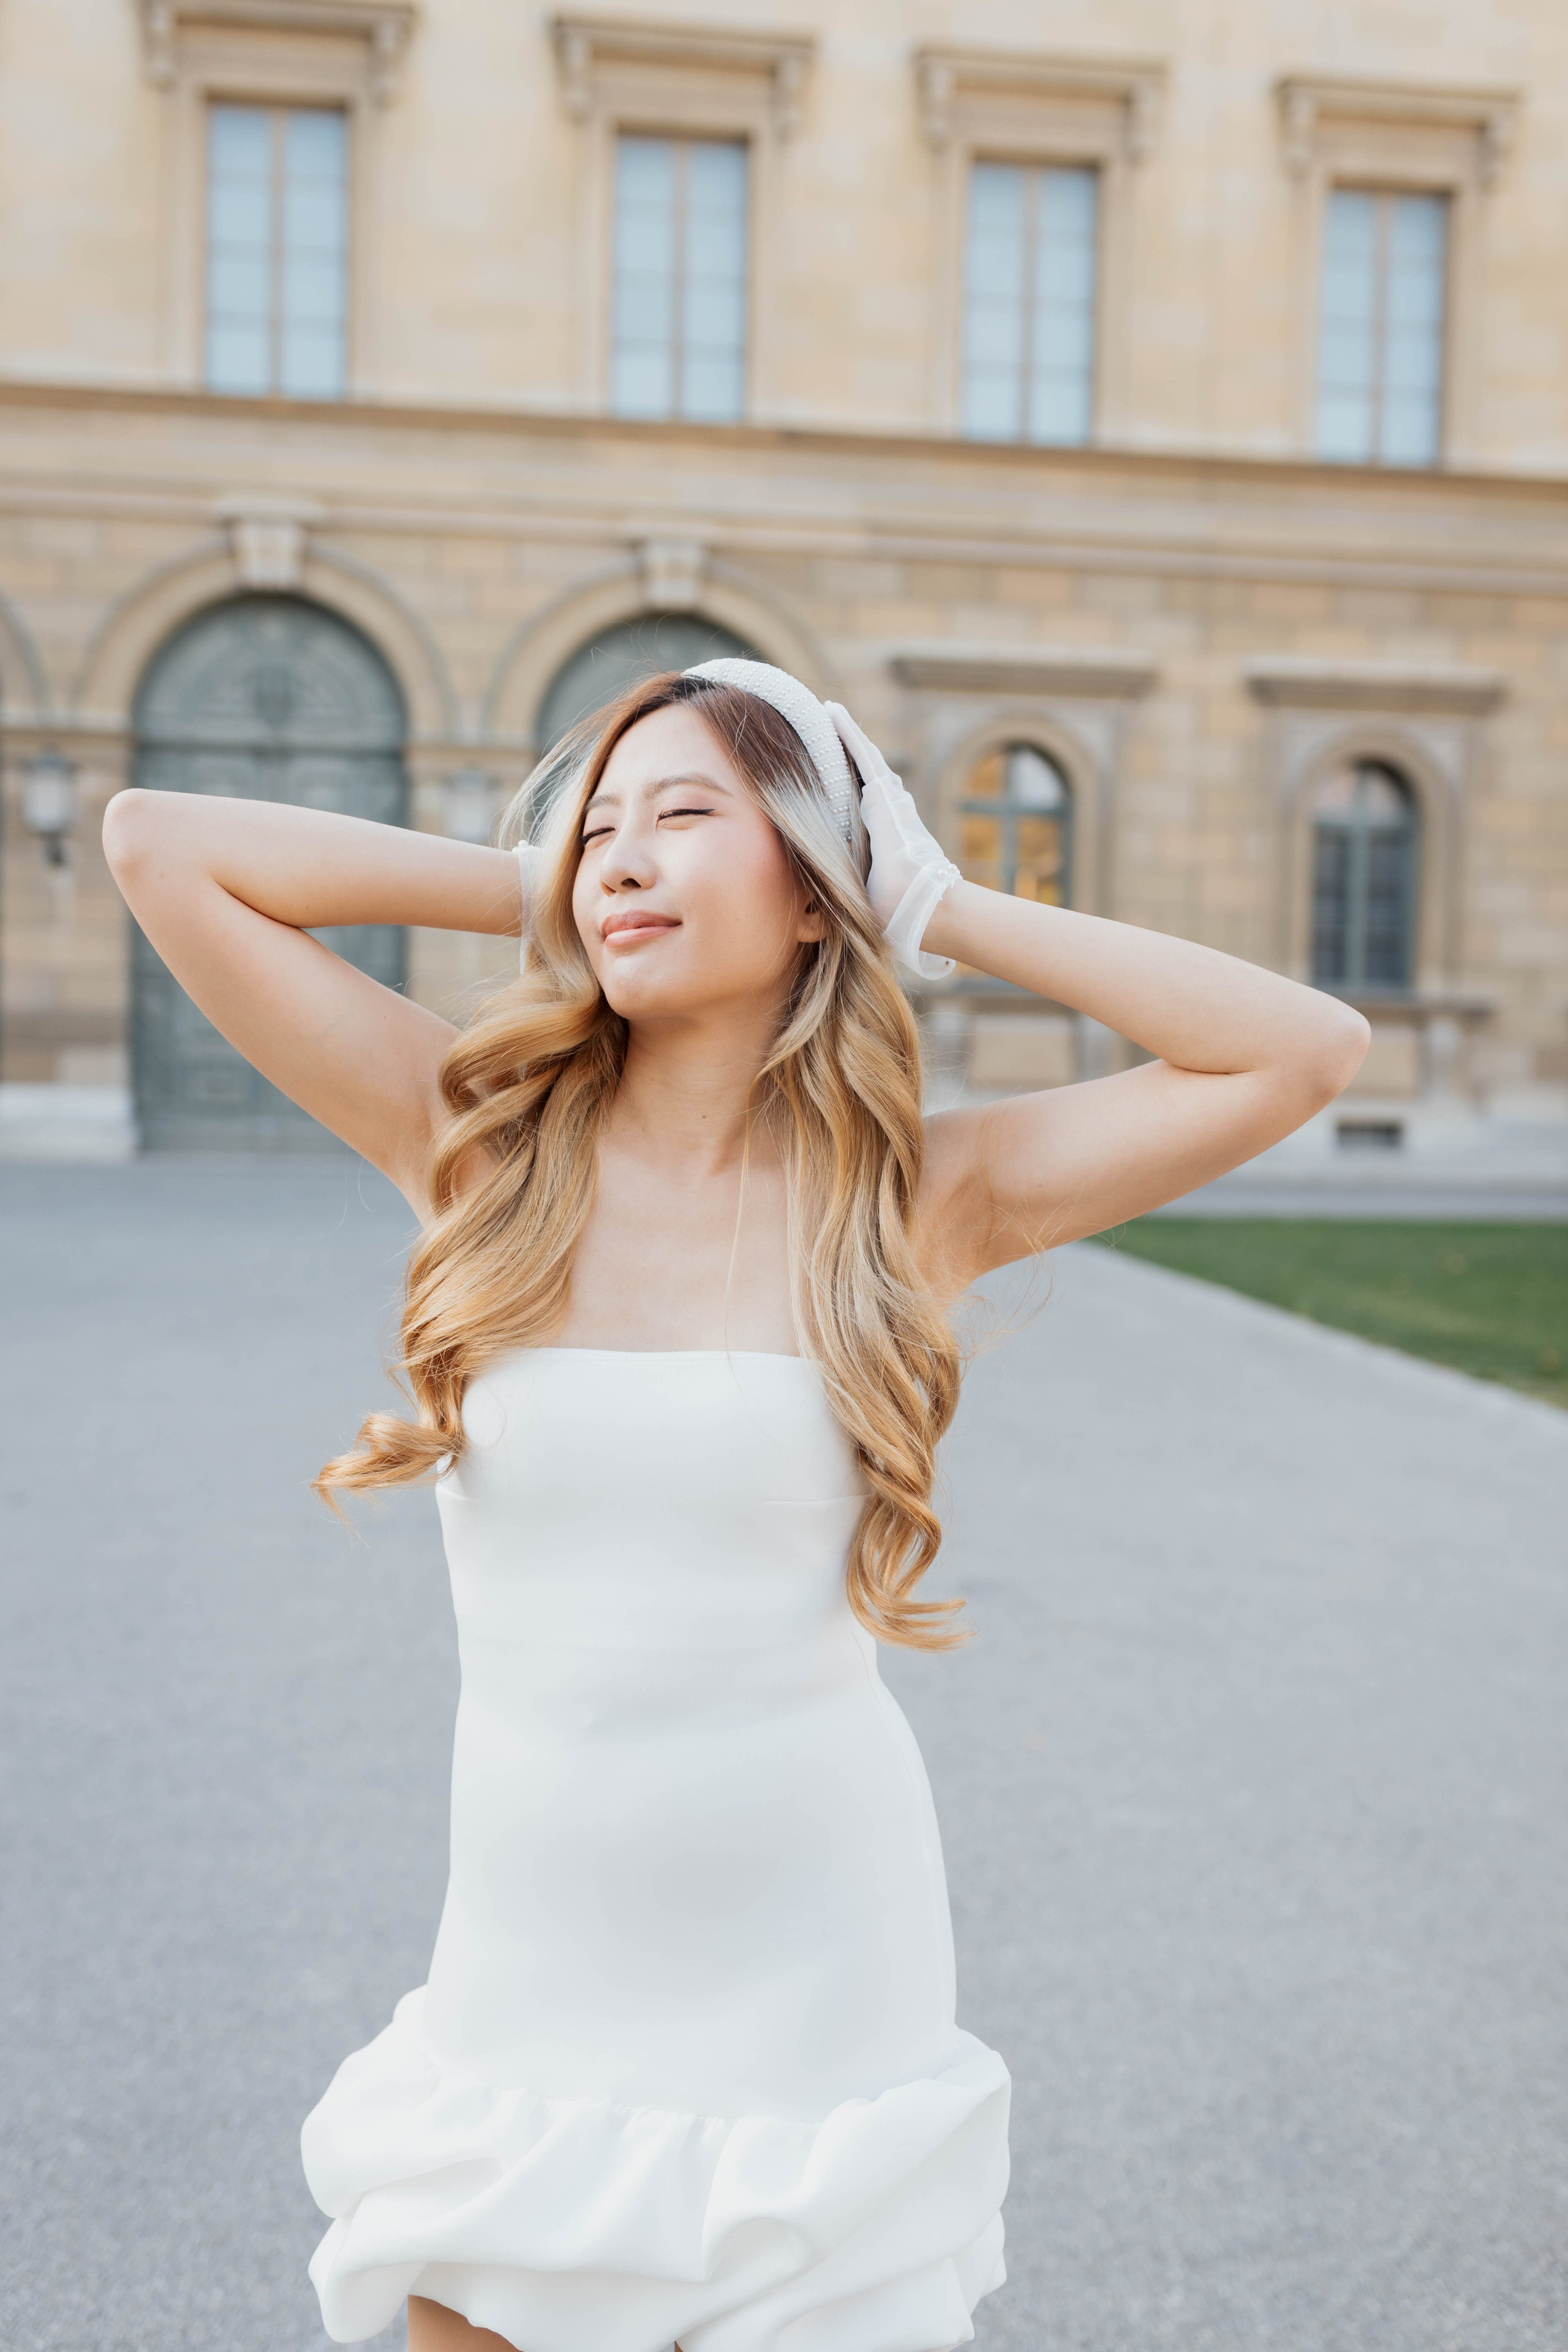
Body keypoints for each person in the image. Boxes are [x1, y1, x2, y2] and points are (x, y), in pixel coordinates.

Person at [103, 658, 1368, 2352]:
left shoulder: (921, 1194)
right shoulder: (473, 1145)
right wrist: (550, 877)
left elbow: (1300, 1052)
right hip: (527, 1970)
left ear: (813, 886)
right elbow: (157, 844)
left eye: (685, 815)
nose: (622, 855)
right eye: (597, 825)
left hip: (816, 1977)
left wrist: (936, 899)